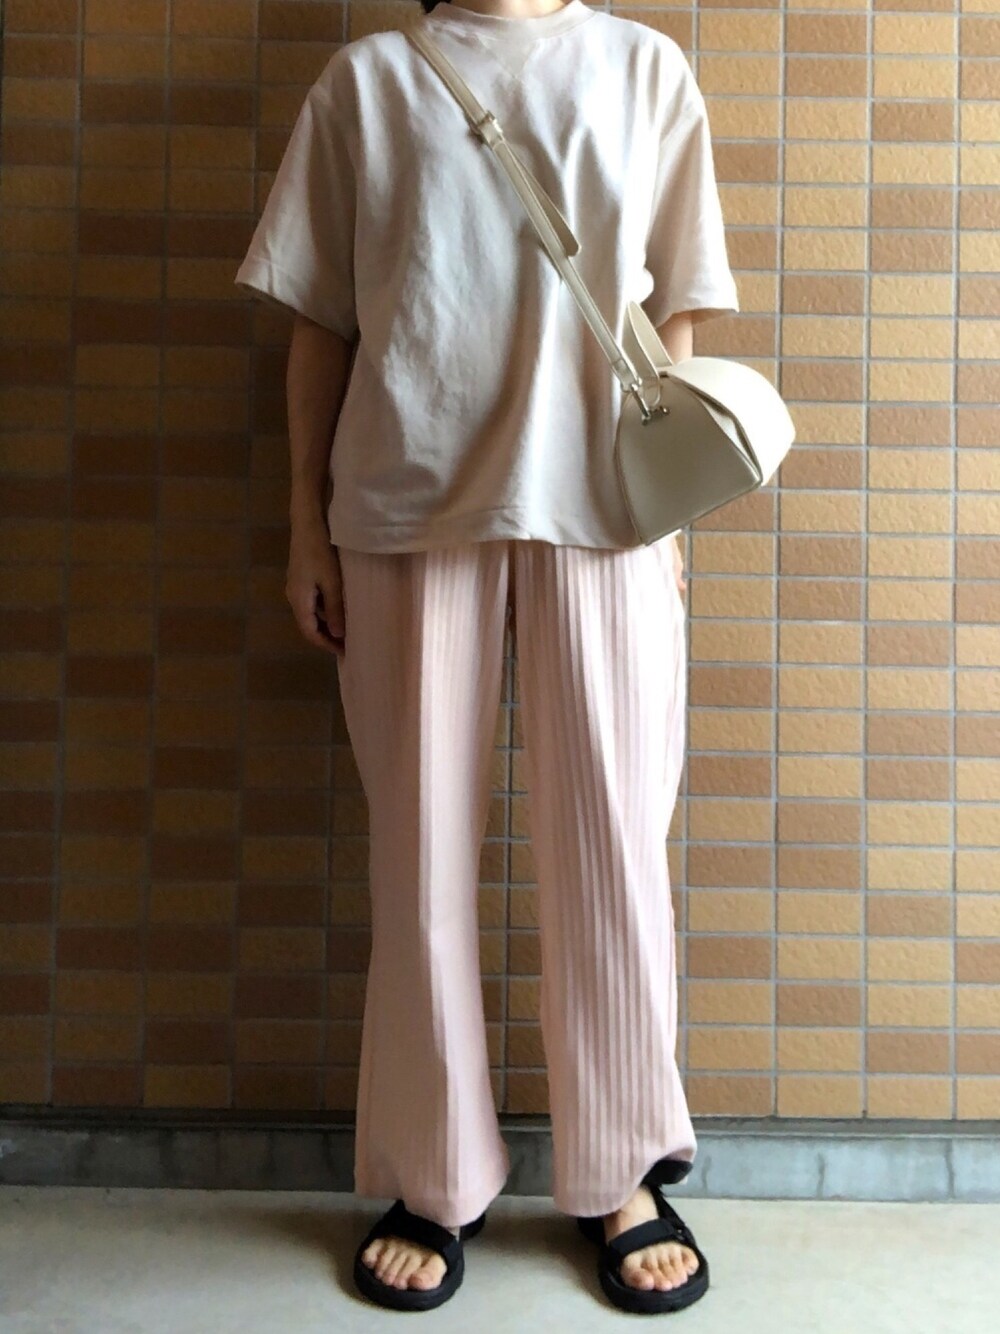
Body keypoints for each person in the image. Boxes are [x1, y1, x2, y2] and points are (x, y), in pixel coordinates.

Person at [235, 0, 739, 1315]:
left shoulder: (644, 67)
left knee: (616, 846)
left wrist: (669, 509)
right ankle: (433, 1171)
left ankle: (624, 1169)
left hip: (608, 512)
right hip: (404, 504)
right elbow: (322, 324)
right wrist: (303, 526)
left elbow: (678, 308)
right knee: (418, 853)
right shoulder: (368, 84)